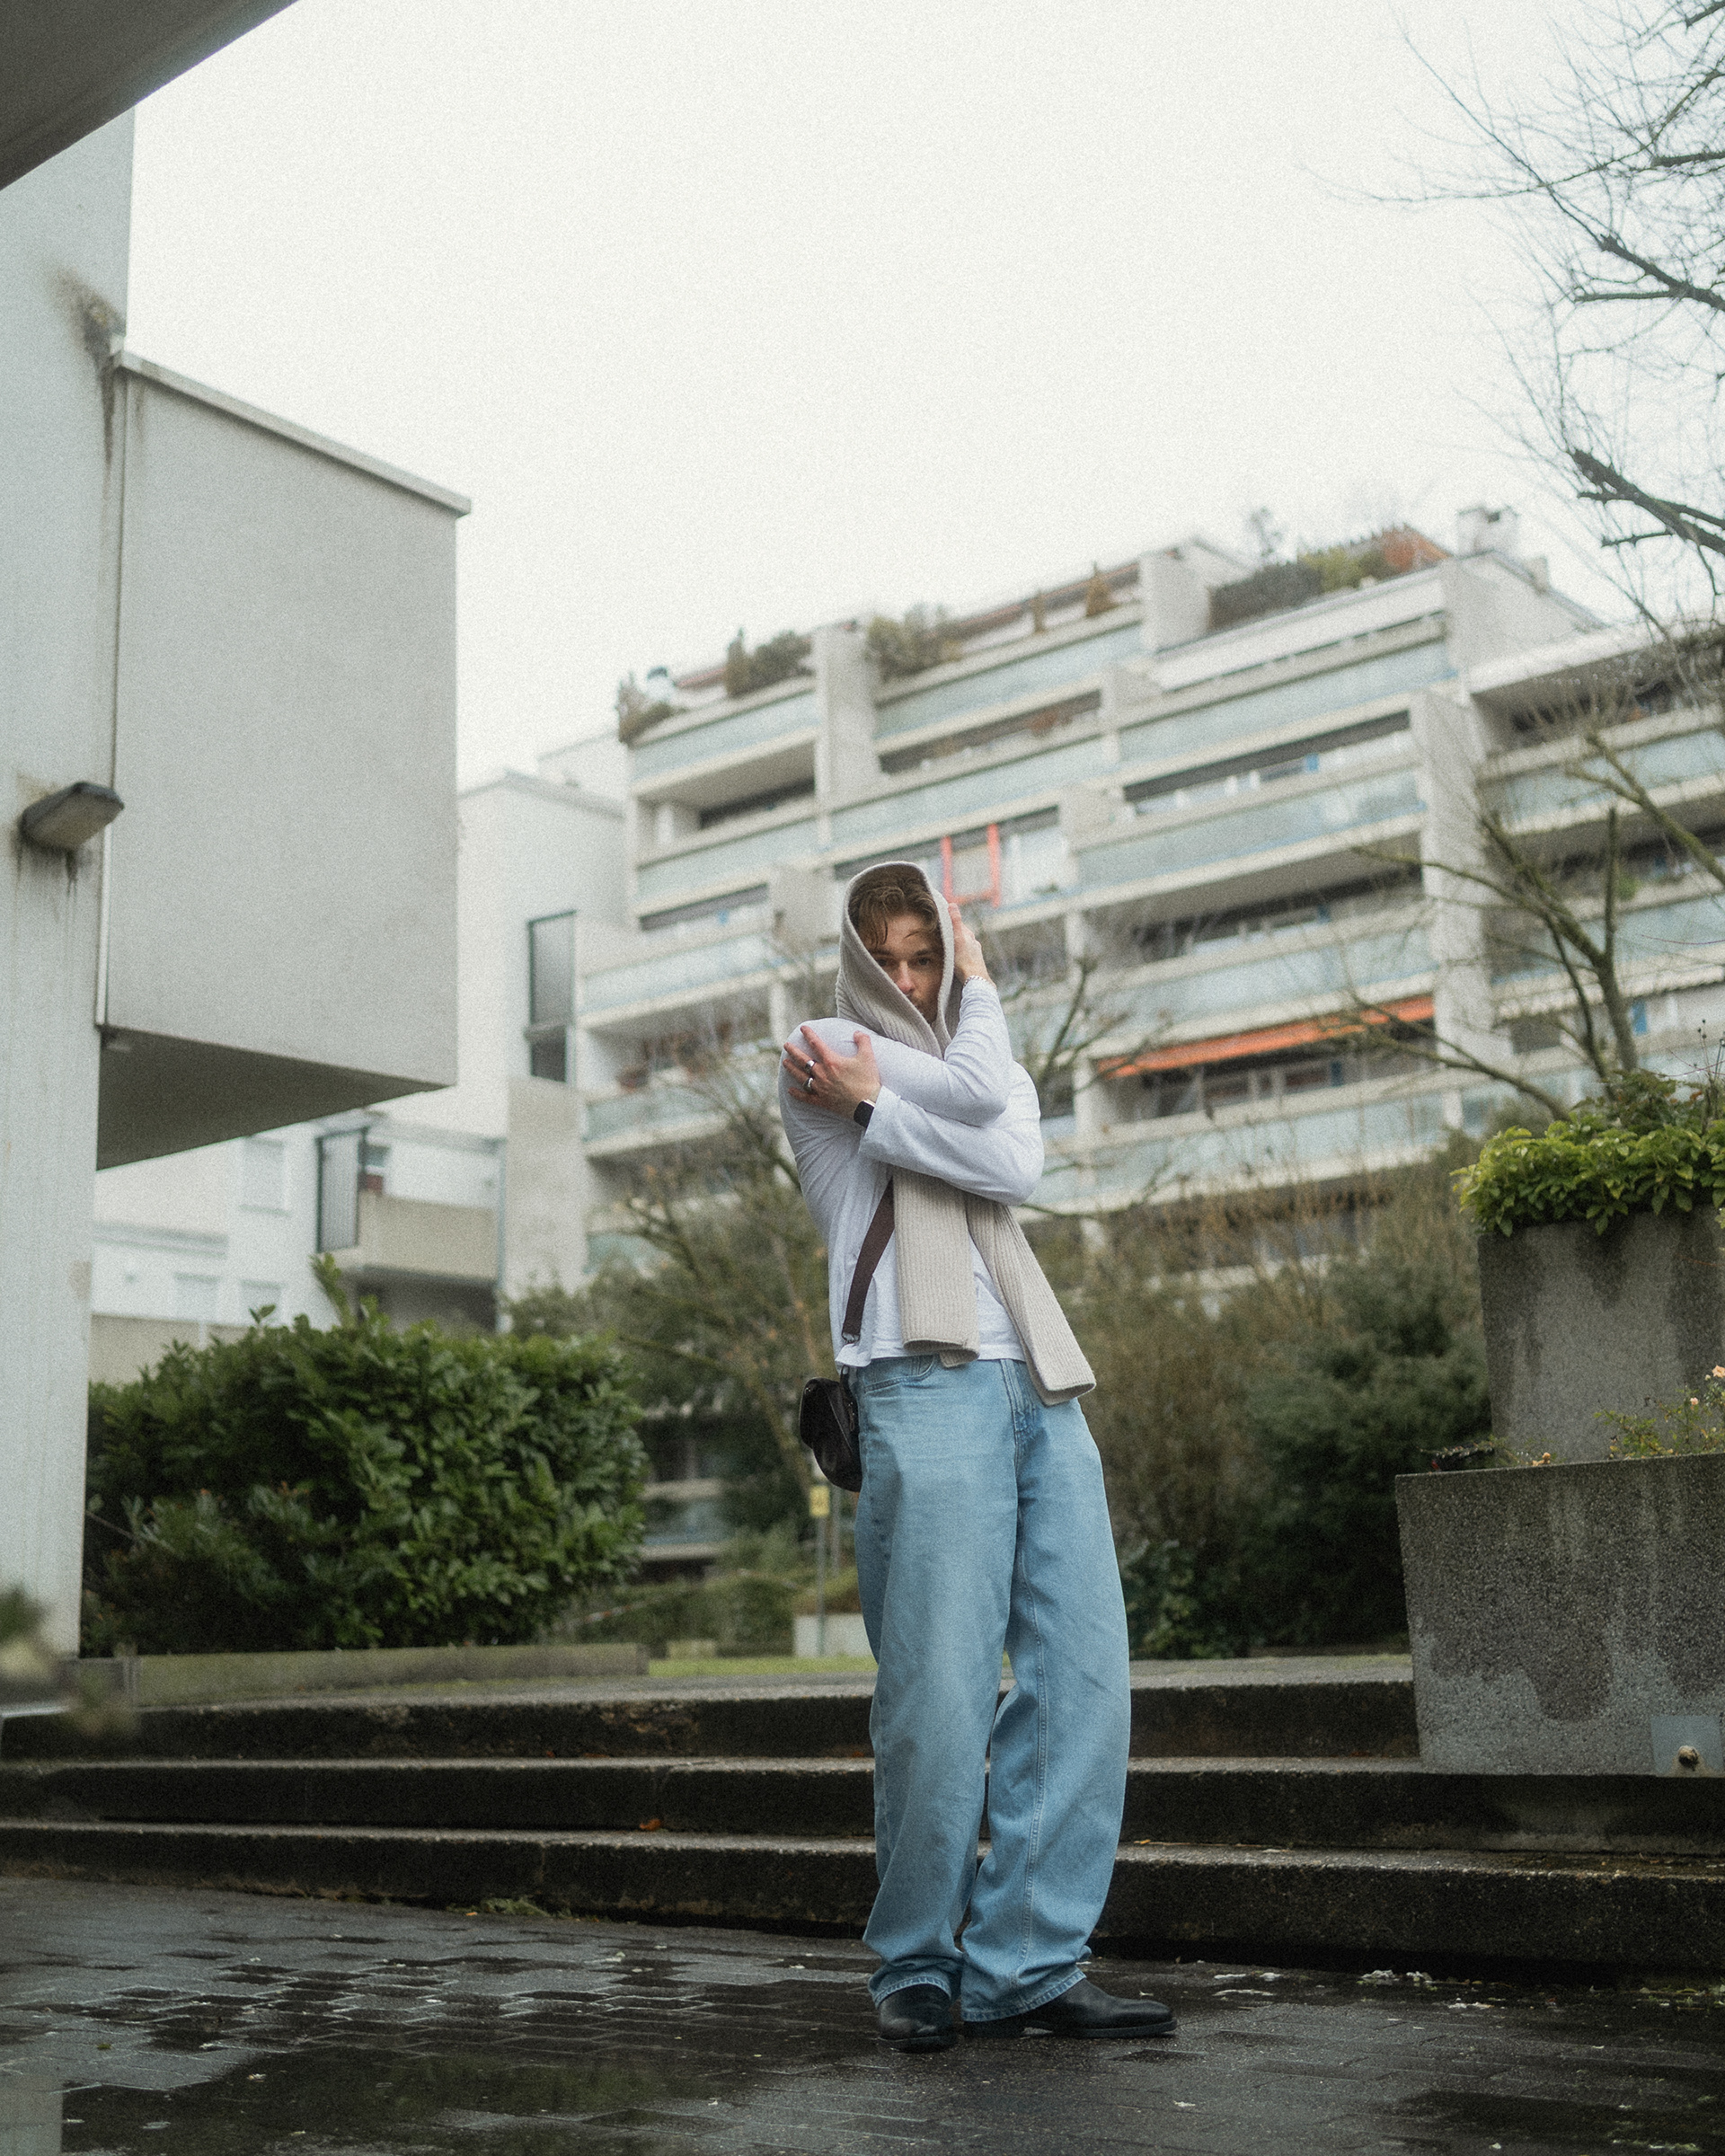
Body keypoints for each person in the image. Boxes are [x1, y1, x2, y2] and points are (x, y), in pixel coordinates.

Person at [777, 861, 1175, 2052]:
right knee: (939, 1691)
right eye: (887, 958)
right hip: (921, 1377)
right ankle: (917, 1960)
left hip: (1041, 1378)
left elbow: (1014, 1167)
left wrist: (893, 1103)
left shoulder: (973, 1060)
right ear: (855, 963)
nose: (907, 978)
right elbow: (981, 1112)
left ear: (952, 956)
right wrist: (916, 1075)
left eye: (926, 956)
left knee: (1086, 1678)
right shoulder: (820, 1048)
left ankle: (1030, 1963)